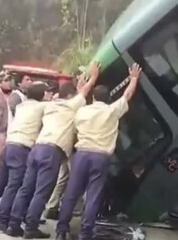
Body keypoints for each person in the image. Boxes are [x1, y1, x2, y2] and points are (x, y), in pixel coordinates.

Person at [8, 64, 100, 238]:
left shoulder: (49, 106)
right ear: (71, 97)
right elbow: (84, 92)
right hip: (51, 152)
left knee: (26, 188)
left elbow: (79, 92)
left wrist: (79, 84)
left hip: (37, 148)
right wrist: (93, 77)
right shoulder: (70, 107)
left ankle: (14, 224)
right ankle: (31, 227)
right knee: (42, 191)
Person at [56, 64, 142, 240]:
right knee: (93, 195)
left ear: (93, 98)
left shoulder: (81, 111)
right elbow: (127, 95)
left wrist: (84, 85)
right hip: (101, 157)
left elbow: (79, 99)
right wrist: (133, 78)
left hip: (81, 155)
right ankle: (85, 233)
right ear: (108, 99)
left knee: (72, 193)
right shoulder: (111, 111)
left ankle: (61, 230)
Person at [0, 82, 49, 233]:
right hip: (22, 149)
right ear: (42, 95)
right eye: (47, 92)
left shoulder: (21, 106)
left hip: (10, 145)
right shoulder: (42, 108)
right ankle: (3, 219)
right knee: (14, 185)